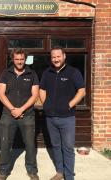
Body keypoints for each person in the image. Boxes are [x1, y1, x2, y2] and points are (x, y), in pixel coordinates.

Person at [39, 47, 86, 180]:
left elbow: (81, 91)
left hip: (67, 118)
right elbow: (42, 90)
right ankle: (60, 172)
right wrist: (46, 104)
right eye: (53, 57)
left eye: (58, 56)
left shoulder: (73, 72)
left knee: (68, 148)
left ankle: (69, 175)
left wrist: (69, 105)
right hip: (51, 117)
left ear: (64, 56)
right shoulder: (47, 73)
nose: (56, 59)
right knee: (56, 146)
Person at [0, 48, 39, 180]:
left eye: (22, 59)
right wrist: (13, 109)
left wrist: (21, 110)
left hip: (27, 115)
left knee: (30, 144)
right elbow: (1, 94)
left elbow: (35, 95)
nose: (19, 62)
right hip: (8, 115)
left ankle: (32, 170)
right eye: (17, 59)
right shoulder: (5, 73)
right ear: (12, 59)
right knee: (5, 144)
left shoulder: (32, 74)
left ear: (25, 59)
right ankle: (3, 170)